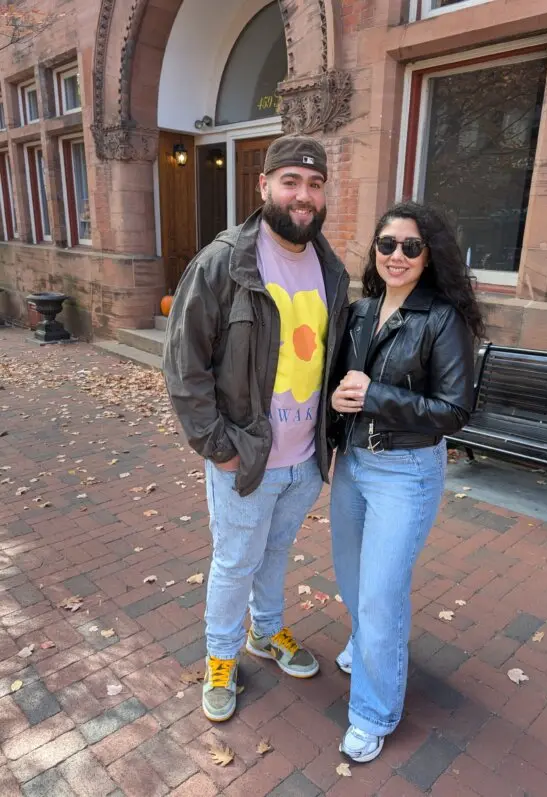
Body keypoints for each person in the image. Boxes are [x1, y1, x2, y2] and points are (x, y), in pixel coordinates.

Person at [163, 134, 349, 722]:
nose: (304, 195)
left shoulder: (330, 266)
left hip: (303, 461)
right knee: (235, 561)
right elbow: (185, 366)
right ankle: (221, 655)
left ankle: (264, 633)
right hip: (244, 457)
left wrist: (332, 441)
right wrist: (218, 448)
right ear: (263, 186)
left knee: (274, 554)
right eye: (291, 181)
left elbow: (332, 358)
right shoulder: (224, 263)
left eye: (314, 184)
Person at [330, 201, 484, 762]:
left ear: (429, 255)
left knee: (380, 597)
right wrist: (337, 400)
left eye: (411, 246)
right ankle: (368, 644)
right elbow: (341, 383)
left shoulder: (442, 318)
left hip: (406, 472)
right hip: (354, 463)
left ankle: (373, 712)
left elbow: (453, 410)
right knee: (351, 575)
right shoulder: (362, 309)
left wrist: (373, 396)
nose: (397, 255)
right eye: (387, 244)